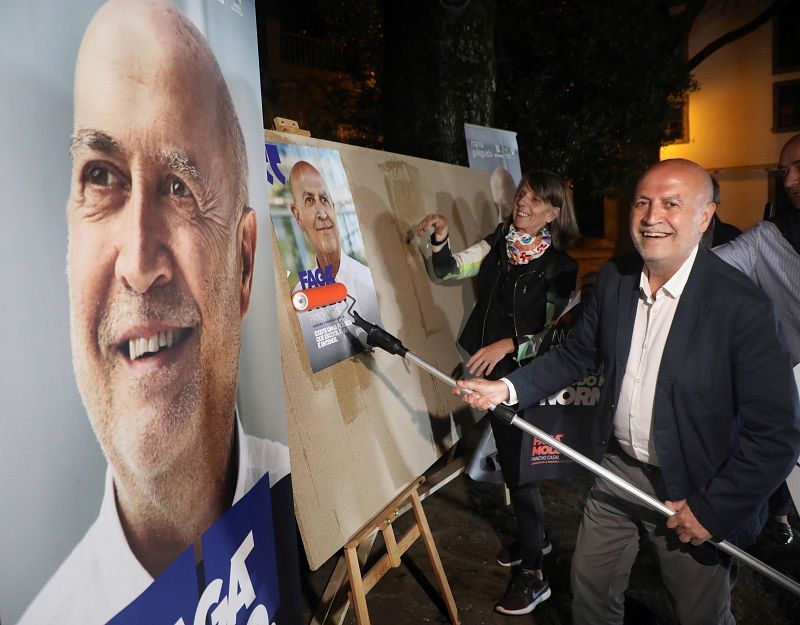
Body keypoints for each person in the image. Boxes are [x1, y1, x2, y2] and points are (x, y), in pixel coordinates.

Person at [20, 1, 290, 623]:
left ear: (244, 265)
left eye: (179, 187)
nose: (139, 263)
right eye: (101, 176)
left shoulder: (294, 508)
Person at [456, 158, 800, 625]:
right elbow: (576, 354)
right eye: (643, 202)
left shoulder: (743, 307)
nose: (652, 216)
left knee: (699, 613)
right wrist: (506, 387)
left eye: (672, 204)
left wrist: (714, 508)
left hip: (692, 489)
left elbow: (778, 434)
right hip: (615, 473)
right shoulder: (616, 281)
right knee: (591, 595)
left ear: (705, 217)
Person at [416, 170, 580, 615]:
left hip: (524, 378)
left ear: (553, 214)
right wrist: (440, 240)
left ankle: (534, 575)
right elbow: (448, 270)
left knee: (522, 472)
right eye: (521, 195)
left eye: (534, 200)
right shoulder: (497, 244)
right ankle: (538, 539)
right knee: (511, 464)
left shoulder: (561, 268)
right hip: (485, 371)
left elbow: (555, 335)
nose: (522, 203)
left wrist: (510, 345)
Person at [714, 133, 800, 546]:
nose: (789, 181)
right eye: (784, 171)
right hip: (789, 390)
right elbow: (710, 269)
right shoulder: (768, 237)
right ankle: (775, 518)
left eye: (799, 168)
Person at [288, 160, 381, 370]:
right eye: (310, 201)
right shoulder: (300, 296)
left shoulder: (367, 279)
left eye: (324, 199)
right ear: (297, 215)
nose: (322, 213)